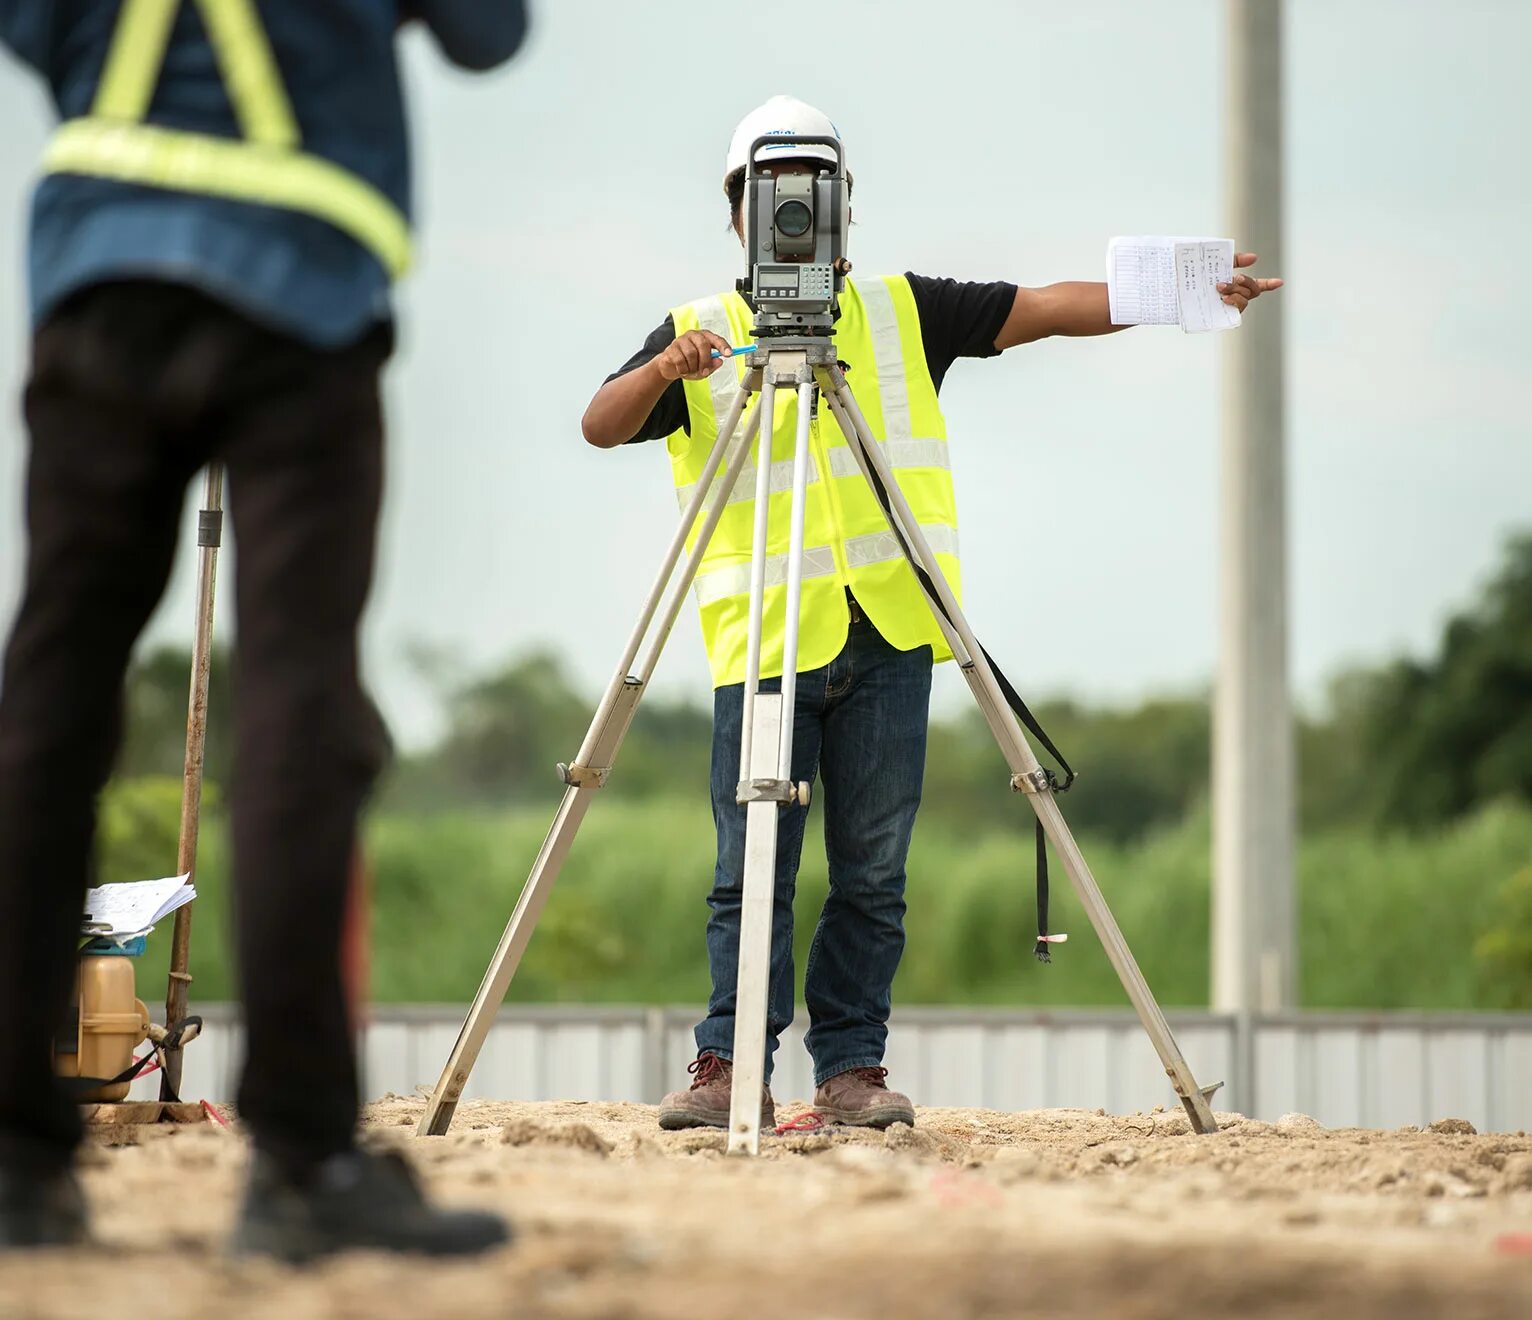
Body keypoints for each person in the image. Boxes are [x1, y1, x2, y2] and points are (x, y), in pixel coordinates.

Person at [581, 95, 1281, 1133]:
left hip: (893, 636)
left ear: (842, 209)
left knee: (871, 870)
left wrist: (1183, 290)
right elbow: (600, 424)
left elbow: (1044, 306)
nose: (791, 218)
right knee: (750, 872)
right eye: (772, 198)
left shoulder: (901, 312)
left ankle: (849, 1072)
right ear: (736, 212)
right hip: (765, 646)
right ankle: (726, 1066)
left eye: (810, 198)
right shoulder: (698, 336)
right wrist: (661, 371)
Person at [0, 0, 528, 1260]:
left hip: (97, 274)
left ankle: (17, 1165)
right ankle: (297, 1162)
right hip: (303, 298)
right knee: (298, 706)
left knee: (51, 702)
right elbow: (488, 33)